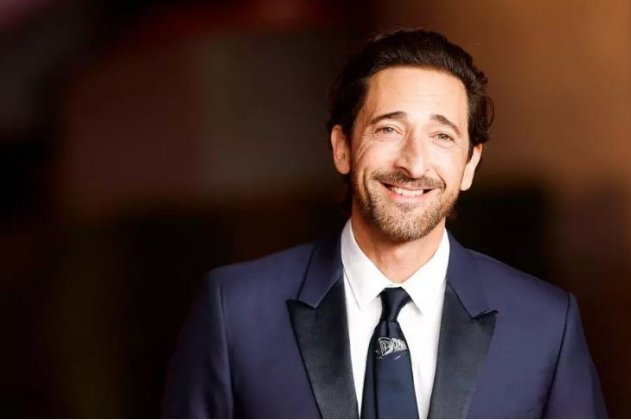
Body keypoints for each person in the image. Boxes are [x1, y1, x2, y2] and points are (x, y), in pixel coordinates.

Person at [162, 29, 607, 418]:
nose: (414, 163)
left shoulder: (547, 325)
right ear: (342, 147)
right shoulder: (235, 312)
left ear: (470, 164)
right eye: (388, 129)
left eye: (442, 136)